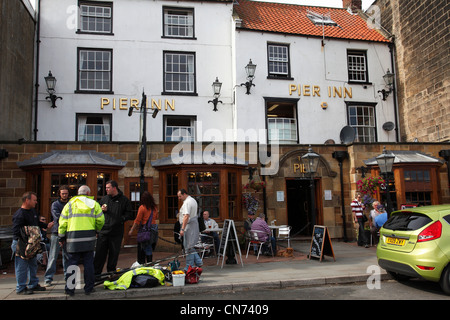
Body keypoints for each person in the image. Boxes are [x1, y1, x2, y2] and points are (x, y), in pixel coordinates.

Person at [58, 185, 104, 296]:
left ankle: (70, 289)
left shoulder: (70, 204)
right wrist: (97, 230)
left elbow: (63, 222)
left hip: (73, 238)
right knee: (88, 264)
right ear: (88, 193)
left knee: (72, 264)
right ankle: (88, 288)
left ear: (78, 193)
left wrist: (61, 237)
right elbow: (101, 220)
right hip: (89, 238)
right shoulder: (94, 204)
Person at [94, 180, 133, 276]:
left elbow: (129, 214)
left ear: (114, 188)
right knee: (99, 255)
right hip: (103, 232)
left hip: (116, 233)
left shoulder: (124, 200)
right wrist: (101, 210)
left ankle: (111, 274)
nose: (106, 189)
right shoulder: (104, 199)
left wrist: (121, 219)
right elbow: (96, 214)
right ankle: (96, 275)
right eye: (106, 188)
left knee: (113, 255)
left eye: (108, 188)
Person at [11, 192, 47, 295]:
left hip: (31, 243)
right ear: (27, 200)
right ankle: (21, 288)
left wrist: (45, 225)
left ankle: (33, 284)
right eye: (34, 200)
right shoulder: (19, 215)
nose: (36, 202)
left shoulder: (32, 211)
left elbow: (36, 223)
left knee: (33, 264)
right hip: (21, 243)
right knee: (21, 266)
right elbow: (16, 231)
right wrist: (26, 239)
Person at [44, 185, 70, 287]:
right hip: (56, 232)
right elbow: (58, 217)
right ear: (59, 194)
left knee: (67, 256)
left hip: (68, 232)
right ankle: (48, 278)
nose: (64, 195)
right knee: (53, 256)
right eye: (63, 193)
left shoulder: (71, 203)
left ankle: (67, 277)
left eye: (66, 193)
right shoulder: (55, 204)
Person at [128, 191, 159, 265]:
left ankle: (144, 264)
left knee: (143, 247)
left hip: (145, 230)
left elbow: (137, 220)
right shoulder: (154, 208)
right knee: (150, 247)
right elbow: (156, 217)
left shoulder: (142, 208)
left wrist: (131, 230)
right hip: (154, 229)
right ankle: (149, 262)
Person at [177, 189, 202, 270]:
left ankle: (189, 266)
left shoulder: (187, 202)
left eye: (180, 196)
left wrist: (182, 229)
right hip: (192, 225)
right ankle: (198, 261)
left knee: (188, 247)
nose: (179, 198)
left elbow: (186, 216)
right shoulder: (192, 200)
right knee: (190, 246)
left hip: (189, 226)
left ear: (184, 194)